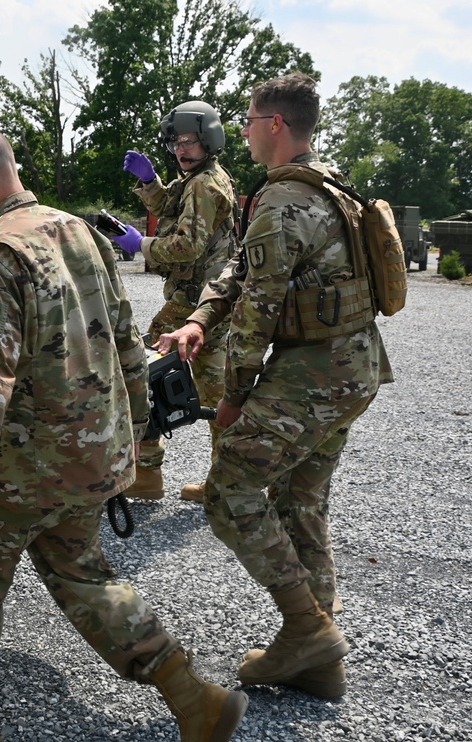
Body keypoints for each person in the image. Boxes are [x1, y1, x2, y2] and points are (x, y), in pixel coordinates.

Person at [0, 119, 248, 742]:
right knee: (84, 574)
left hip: (23, 471)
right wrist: (137, 439)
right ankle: (196, 699)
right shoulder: (81, 233)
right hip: (91, 458)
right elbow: (127, 345)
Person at [156, 72, 393, 698]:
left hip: (315, 373)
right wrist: (199, 319)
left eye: (251, 120)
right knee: (299, 501)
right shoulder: (327, 185)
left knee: (229, 486)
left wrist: (233, 399)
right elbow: (243, 268)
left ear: (276, 126)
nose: (244, 129)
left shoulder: (285, 200)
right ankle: (319, 662)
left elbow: (259, 311)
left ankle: (304, 629)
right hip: (353, 369)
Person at [112, 101, 238, 503]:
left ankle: (148, 473)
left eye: (189, 141)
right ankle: (224, 485)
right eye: (175, 143)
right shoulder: (201, 177)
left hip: (196, 305)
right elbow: (172, 209)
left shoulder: (204, 183)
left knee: (142, 374)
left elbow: (186, 245)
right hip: (205, 303)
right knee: (215, 392)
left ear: (209, 140)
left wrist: (141, 245)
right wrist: (150, 183)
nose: (181, 150)